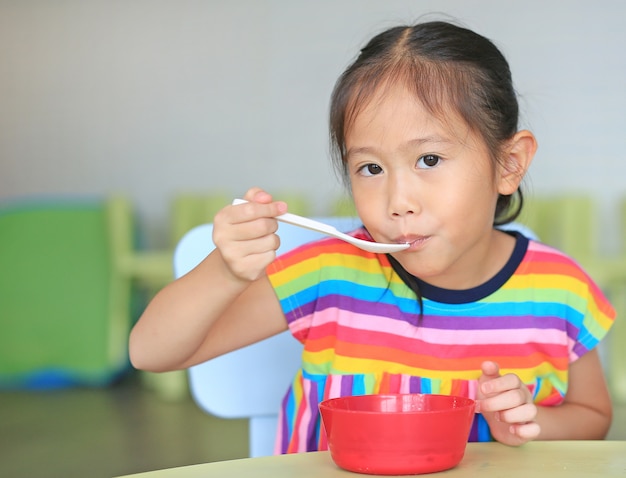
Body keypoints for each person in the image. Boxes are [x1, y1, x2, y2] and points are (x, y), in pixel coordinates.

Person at [129, 20, 615, 452]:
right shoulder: (329, 274)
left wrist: (529, 424)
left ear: (508, 164)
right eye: (370, 167)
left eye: (429, 160)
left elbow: (593, 418)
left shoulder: (560, 290)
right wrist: (226, 269)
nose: (397, 199)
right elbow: (151, 352)